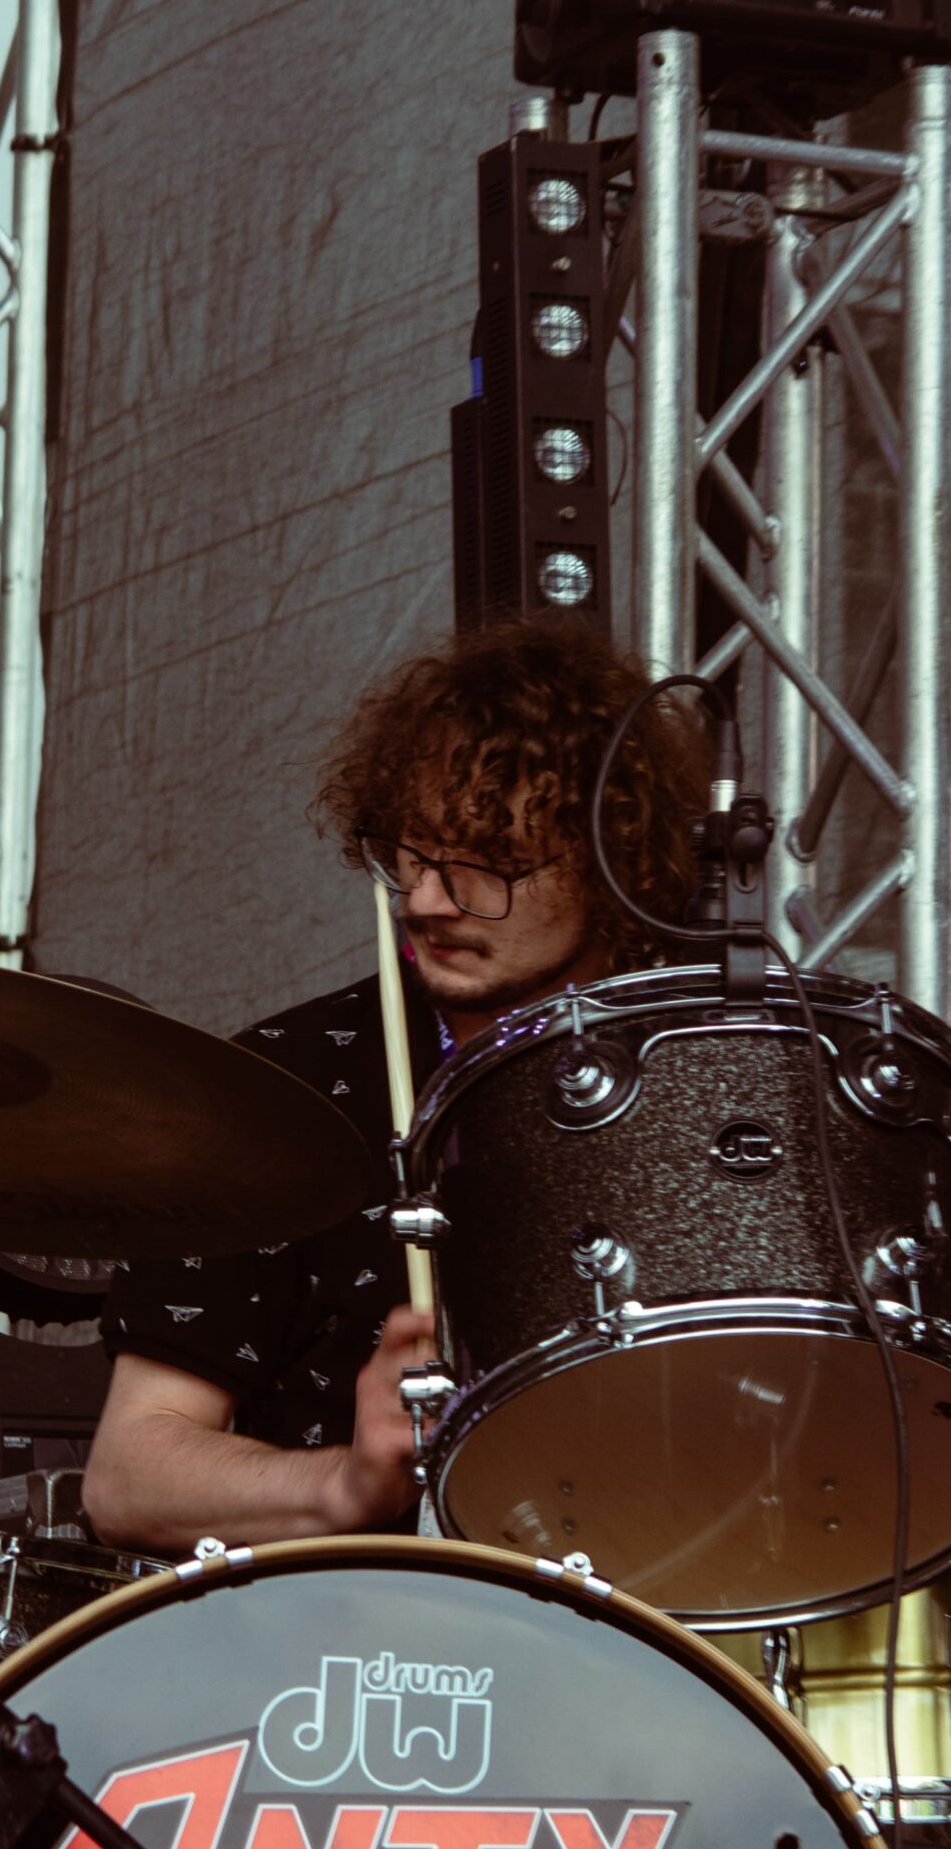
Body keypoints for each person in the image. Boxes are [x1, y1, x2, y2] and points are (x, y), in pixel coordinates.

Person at [82, 613, 709, 1554]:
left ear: (612, 861)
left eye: (484, 867)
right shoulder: (281, 1087)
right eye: (409, 857)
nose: (423, 900)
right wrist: (346, 1482)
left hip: (680, 1602)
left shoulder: (709, 1078)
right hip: (357, 1626)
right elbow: (128, 1477)